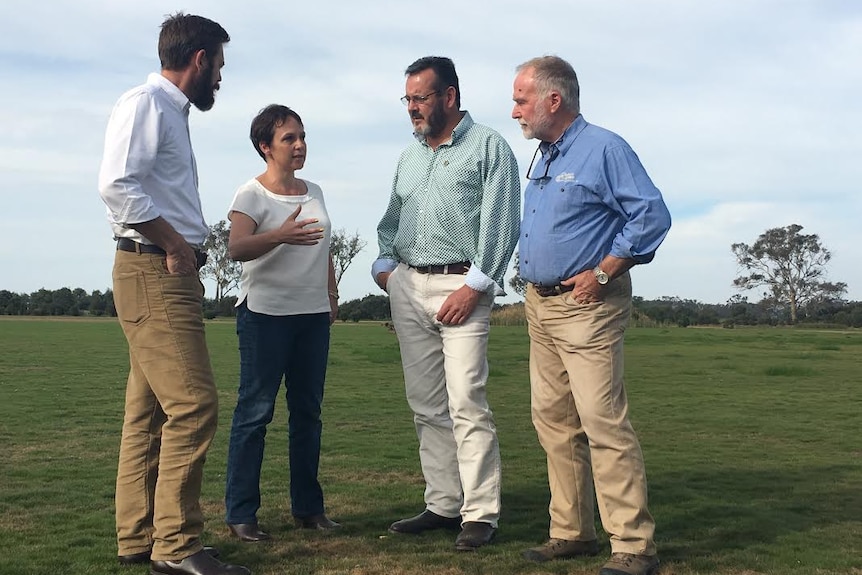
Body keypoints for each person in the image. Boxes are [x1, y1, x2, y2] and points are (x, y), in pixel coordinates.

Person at [97, 13, 250, 575]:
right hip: (155, 271)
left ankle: (138, 537)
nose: (220, 78)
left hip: (159, 270)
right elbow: (116, 185)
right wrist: (175, 244)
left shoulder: (169, 113)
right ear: (199, 59)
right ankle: (177, 546)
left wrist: (184, 246)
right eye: (219, 65)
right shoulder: (146, 104)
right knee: (193, 405)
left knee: (151, 411)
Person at [511, 56, 671, 575]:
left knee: (603, 423)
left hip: (588, 307)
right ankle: (571, 531)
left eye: (520, 99)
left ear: (552, 101)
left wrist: (603, 272)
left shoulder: (604, 147)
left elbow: (651, 213)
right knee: (554, 423)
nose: (515, 111)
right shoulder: (543, 156)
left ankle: (632, 546)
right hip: (541, 306)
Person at [372, 56, 521, 551]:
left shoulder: (488, 147)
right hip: (408, 287)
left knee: (466, 403)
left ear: (450, 97)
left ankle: (480, 513)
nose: (413, 108)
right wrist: (384, 269)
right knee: (426, 406)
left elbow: (502, 221)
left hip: (463, 287)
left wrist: (474, 286)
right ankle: (443, 504)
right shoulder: (408, 156)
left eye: (422, 98)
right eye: (408, 99)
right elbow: (391, 222)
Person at [223, 105, 341, 542]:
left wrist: (330, 294)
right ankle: (241, 515)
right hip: (264, 316)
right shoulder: (250, 195)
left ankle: (308, 510)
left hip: (311, 317)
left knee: (308, 414)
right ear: (265, 147)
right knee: (254, 414)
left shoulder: (316, 191)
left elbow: (324, 246)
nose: (299, 145)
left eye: (302, 136)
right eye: (289, 138)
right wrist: (279, 236)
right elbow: (236, 249)